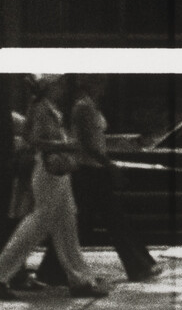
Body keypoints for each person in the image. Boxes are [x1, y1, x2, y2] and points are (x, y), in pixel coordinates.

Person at [0, 74, 107, 301]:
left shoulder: (45, 106)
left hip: (55, 170)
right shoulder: (42, 108)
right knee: (40, 222)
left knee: (66, 224)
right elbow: (36, 140)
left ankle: (80, 280)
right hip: (51, 170)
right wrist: (70, 145)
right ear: (50, 87)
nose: (61, 87)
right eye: (58, 83)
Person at [35, 74, 160, 285]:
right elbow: (88, 144)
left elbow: (96, 140)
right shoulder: (83, 108)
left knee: (87, 223)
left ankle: (53, 271)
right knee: (110, 219)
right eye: (101, 83)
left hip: (93, 169)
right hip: (89, 170)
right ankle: (139, 265)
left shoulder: (89, 106)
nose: (104, 88)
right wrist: (109, 165)